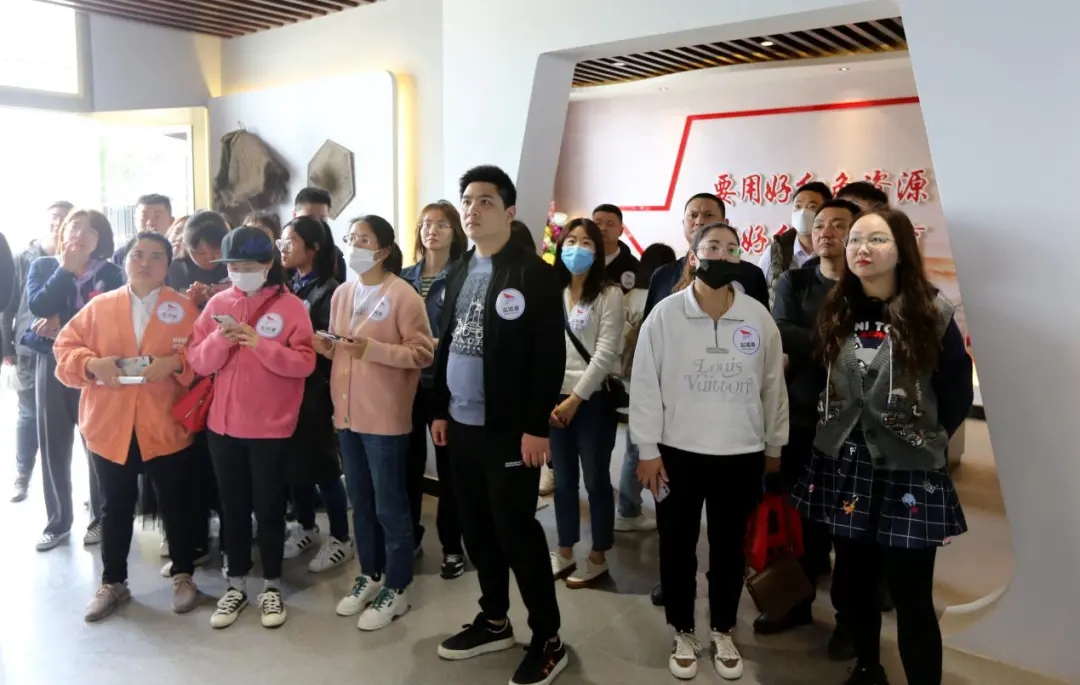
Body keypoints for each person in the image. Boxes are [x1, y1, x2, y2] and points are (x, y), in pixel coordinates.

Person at [791, 209, 972, 685]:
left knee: (912, 595)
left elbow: (954, 391)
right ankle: (868, 668)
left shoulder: (932, 313)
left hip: (908, 470)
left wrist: (922, 437)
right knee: (854, 582)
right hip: (845, 464)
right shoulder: (837, 308)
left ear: (902, 249)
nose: (861, 249)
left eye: (876, 239)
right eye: (854, 239)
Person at [631, 221, 788, 681]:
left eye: (731, 248)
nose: (722, 254)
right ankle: (683, 629)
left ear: (740, 259)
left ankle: (722, 628)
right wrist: (646, 448)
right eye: (712, 247)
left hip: (740, 452)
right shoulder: (666, 315)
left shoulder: (757, 317)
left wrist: (774, 444)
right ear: (694, 257)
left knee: (728, 549)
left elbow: (772, 387)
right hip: (676, 453)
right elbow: (645, 384)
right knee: (676, 546)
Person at [430, 165, 568, 685]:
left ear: (509, 212)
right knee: (476, 529)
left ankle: (548, 639)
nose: (472, 209)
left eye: (485, 200)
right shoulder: (460, 269)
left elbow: (548, 357)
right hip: (461, 425)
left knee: (517, 534)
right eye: (467, 200)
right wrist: (439, 409)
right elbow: (446, 343)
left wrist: (536, 427)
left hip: (510, 431)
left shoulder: (533, 274)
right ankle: (494, 620)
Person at [53, 232, 204, 621]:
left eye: (155, 256)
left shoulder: (183, 308)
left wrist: (175, 363)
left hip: (165, 422)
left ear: (168, 266)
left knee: (176, 502)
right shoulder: (99, 307)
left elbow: (204, 355)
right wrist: (91, 364)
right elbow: (65, 347)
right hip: (110, 424)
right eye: (138, 254)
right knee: (115, 505)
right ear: (125, 261)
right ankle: (113, 582)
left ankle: (183, 575)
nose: (145, 262)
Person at [641, 192, 768, 607]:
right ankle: (678, 602)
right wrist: (646, 445)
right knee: (676, 534)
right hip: (676, 436)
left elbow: (766, 367)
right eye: (692, 215)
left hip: (736, 440)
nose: (699, 221)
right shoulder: (664, 284)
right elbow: (647, 369)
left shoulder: (751, 287)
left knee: (728, 539)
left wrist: (771, 440)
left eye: (708, 215)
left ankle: (722, 617)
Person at [187, 226, 316, 630]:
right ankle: (236, 583)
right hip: (223, 429)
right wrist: (222, 340)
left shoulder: (291, 307)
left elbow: (305, 363)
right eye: (233, 267)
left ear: (267, 264)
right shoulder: (218, 303)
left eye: (248, 266)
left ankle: (272, 585)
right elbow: (198, 360)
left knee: (270, 508)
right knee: (233, 507)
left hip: (271, 429)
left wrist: (261, 345)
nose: (240, 274)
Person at [758, 199, 860, 658]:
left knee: (849, 531)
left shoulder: (865, 287)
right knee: (803, 522)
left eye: (839, 225)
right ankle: (795, 605)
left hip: (854, 427)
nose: (826, 232)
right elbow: (780, 330)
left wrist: (815, 345)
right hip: (801, 419)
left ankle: (849, 622)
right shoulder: (795, 282)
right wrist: (838, 344)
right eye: (820, 225)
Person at [322, 215, 434, 631]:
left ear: (383, 251)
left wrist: (373, 349)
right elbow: (343, 348)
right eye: (351, 238)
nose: (354, 246)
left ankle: (398, 586)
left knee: (390, 505)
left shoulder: (403, 295)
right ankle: (370, 573)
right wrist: (327, 347)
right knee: (361, 501)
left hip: (385, 416)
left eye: (363, 240)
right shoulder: (343, 293)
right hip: (347, 414)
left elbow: (422, 353)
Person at [26, 209, 123, 551]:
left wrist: (62, 320)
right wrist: (65, 270)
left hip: (93, 364)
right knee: (53, 442)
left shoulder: (110, 273)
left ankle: (101, 518)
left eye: (89, 230)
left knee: (96, 440)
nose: (79, 234)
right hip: (51, 362)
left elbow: (110, 317)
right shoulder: (43, 266)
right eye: (74, 227)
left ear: (101, 239)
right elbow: (39, 305)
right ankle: (58, 521)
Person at [548, 218, 624, 588]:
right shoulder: (553, 291)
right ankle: (564, 551)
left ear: (597, 251)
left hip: (592, 401)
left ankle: (598, 556)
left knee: (595, 481)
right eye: (571, 241)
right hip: (555, 400)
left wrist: (576, 399)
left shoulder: (609, 294)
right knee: (563, 481)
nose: (577, 248)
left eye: (586, 242)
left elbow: (605, 354)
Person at [278, 216, 355, 572]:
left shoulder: (330, 290)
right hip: (288, 388)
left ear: (314, 247)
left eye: (291, 241)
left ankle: (341, 537)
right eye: (281, 241)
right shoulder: (288, 286)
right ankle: (306, 526)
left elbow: (329, 344)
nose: (284, 248)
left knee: (324, 465)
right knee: (296, 462)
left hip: (316, 390)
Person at [401, 200, 469, 578]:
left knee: (450, 470)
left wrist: (435, 345)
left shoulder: (464, 275)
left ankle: (452, 546)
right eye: (426, 223)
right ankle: (409, 535)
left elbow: (466, 330)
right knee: (407, 465)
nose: (432, 230)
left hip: (446, 385)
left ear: (455, 232)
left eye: (442, 224)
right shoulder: (404, 277)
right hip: (406, 383)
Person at [4, 201, 69, 502]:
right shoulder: (25, 257)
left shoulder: (79, 260)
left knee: (69, 417)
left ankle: (77, 485)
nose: (58, 223)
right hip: (28, 346)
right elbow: (8, 302)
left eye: (64, 218)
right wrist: (6, 345)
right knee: (28, 413)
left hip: (68, 347)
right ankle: (22, 473)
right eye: (54, 217)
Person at [614, 242, 676, 532]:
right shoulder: (662, 299)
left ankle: (629, 506)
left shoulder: (629, 296)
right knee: (642, 447)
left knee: (634, 446)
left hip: (624, 379)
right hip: (651, 381)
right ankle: (629, 509)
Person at [759, 181, 833, 308]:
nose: (803, 212)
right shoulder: (775, 251)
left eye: (812, 207)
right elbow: (759, 293)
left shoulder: (836, 249)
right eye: (798, 207)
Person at [168, 210, 231, 305]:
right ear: (187, 248)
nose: (209, 257)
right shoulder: (173, 271)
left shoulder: (233, 267)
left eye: (216, 251)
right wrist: (191, 301)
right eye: (201, 253)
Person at [293, 187, 347, 277]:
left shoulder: (335, 258)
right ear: (295, 216)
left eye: (322, 219)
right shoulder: (282, 255)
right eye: (308, 218)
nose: (316, 225)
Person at [113, 194, 173, 266]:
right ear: (135, 220)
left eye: (157, 216)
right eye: (144, 216)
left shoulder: (177, 254)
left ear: (171, 221)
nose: (150, 223)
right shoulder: (121, 256)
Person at [592, 204, 640, 292]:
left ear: (621, 231)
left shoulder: (633, 267)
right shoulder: (581, 259)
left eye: (610, 224)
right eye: (598, 223)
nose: (603, 228)